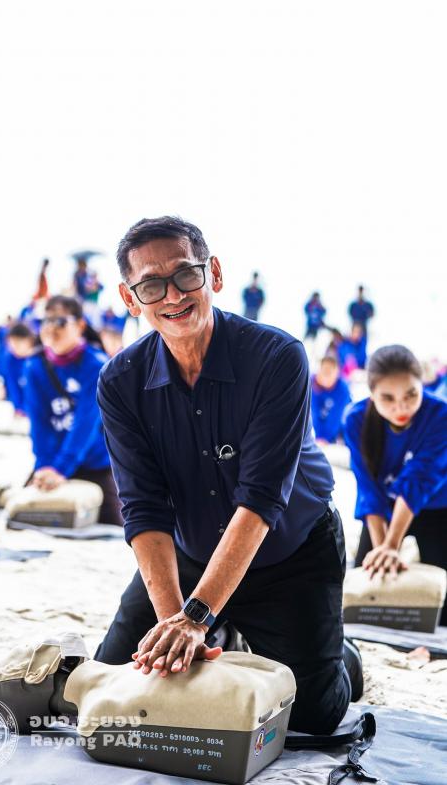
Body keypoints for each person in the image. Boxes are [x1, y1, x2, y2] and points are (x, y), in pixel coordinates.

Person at [94, 216, 362, 735]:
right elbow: (144, 508)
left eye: (185, 274)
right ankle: (223, 631)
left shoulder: (278, 357)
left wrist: (195, 618)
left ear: (213, 273)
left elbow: (261, 499)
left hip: (289, 553)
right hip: (191, 554)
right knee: (121, 680)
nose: (173, 295)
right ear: (130, 298)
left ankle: (339, 654)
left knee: (315, 715)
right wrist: (175, 621)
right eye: (151, 285)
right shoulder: (120, 381)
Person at [343, 345, 447, 625]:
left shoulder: (440, 415)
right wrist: (384, 550)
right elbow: (368, 488)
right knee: (368, 585)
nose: (401, 407)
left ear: (422, 385)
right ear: (371, 394)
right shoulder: (355, 419)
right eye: (388, 398)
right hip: (384, 509)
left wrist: (392, 543)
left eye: (411, 395)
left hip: (437, 506)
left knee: (443, 600)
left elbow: (418, 480)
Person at [24, 295, 122, 526]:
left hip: (95, 463)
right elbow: (39, 423)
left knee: (115, 527)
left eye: (60, 321)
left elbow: (86, 424)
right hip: (53, 462)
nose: (51, 328)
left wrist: (61, 468)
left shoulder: (96, 365)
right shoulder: (35, 366)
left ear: (80, 325)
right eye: (45, 321)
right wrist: (45, 466)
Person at [311, 356, 352, 444]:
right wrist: (317, 438)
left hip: (336, 432)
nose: (325, 376)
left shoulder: (343, 388)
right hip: (314, 432)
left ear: (336, 374)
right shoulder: (311, 382)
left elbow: (335, 418)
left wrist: (325, 439)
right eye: (323, 372)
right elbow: (313, 412)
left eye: (329, 373)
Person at [3, 322, 41, 415]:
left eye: (18, 343)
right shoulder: (10, 359)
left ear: (30, 340)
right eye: (11, 345)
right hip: (23, 409)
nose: (14, 348)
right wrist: (19, 408)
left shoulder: (40, 359)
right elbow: (13, 388)